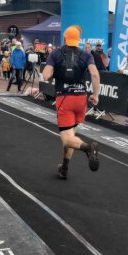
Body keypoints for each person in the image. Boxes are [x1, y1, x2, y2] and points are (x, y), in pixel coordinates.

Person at [43, 25, 100, 180]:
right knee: (72, 135)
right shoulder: (85, 54)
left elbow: (46, 76)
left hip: (65, 98)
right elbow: (95, 74)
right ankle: (65, 168)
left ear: (65, 38)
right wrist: (96, 94)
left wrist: (54, 69)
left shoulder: (56, 53)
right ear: (79, 40)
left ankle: (88, 148)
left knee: (67, 139)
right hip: (81, 98)